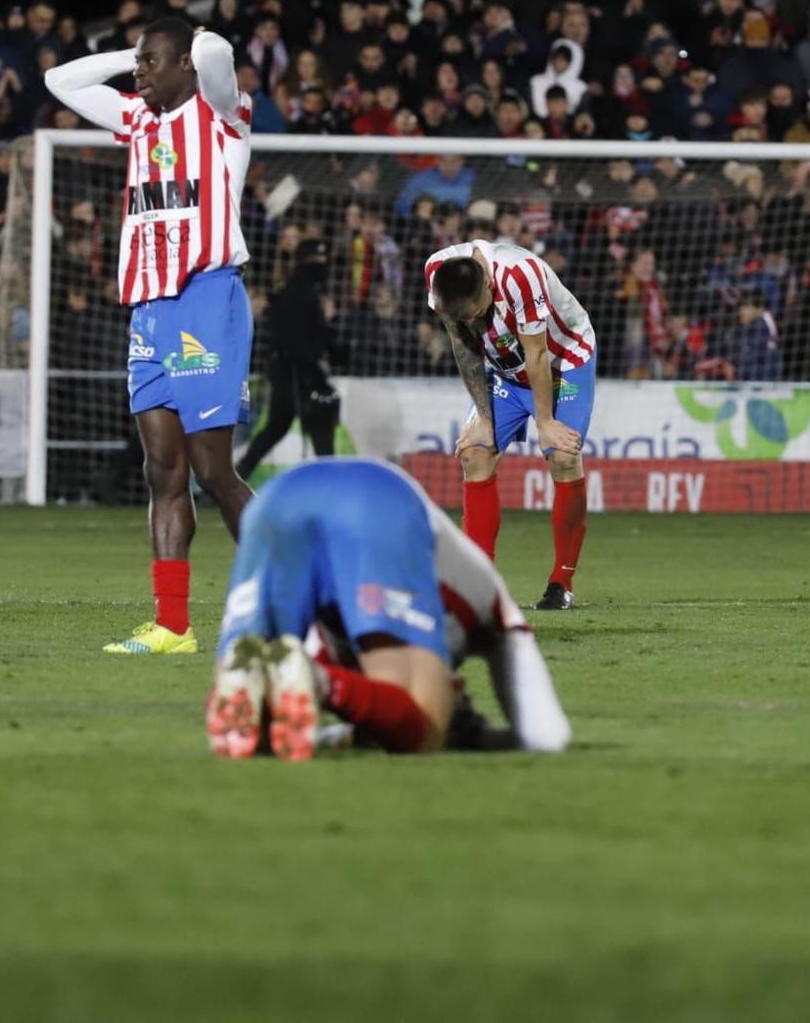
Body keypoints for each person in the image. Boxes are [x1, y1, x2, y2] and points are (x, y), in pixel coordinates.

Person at [43, 18, 254, 655]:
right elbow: (60, 79)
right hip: (149, 310)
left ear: (186, 65)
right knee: (162, 471)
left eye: (152, 62)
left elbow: (218, 54)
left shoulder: (224, 118)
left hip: (207, 299)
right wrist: (134, 54)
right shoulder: (136, 121)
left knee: (215, 470)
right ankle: (172, 627)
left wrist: (195, 37)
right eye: (138, 64)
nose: (139, 73)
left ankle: (292, 592)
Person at [205, 458, 571, 760]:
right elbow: (547, 736)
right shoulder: (492, 616)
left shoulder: (331, 645)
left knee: (259, 693)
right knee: (425, 725)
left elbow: (349, 715)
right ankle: (319, 683)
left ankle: (242, 664)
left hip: (276, 498)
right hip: (374, 499)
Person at [424, 237, 597, 611]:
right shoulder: (438, 275)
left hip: (561, 361)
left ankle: (561, 583)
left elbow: (537, 353)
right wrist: (484, 419)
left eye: (476, 311)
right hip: (505, 369)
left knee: (562, 456)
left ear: (487, 283)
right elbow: (463, 345)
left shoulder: (520, 274)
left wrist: (546, 422)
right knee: (474, 453)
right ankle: (478, 583)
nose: (472, 320)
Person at [236, 237, 342, 477]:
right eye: (317, 259)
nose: (322, 264)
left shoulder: (305, 291)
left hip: (296, 369)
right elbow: (297, 339)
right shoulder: (294, 293)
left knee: (278, 427)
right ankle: (331, 481)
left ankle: (240, 473)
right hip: (293, 371)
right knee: (316, 423)